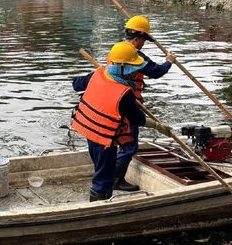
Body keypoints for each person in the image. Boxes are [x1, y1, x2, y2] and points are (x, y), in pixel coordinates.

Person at [71, 42, 171, 201]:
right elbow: (137, 118)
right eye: (133, 68)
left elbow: (76, 83)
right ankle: (100, 206)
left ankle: (100, 197)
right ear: (122, 68)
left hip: (89, 131)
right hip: (104, 138)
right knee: (104, 177)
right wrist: (158, 126)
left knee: (101, 169)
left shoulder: (100, 72)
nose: (136, 72)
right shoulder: (124, 93)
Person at [107, 15, 177, 192]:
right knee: (129, 145)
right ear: (137, 39)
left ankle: (110, 176)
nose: (143, 44)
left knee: (117, 140)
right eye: (144, 40)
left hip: (112, 102)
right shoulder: (134, 55)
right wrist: (169, 61)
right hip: (127, 102)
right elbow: (156, 71)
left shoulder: (116, 51)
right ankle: (116, 181)